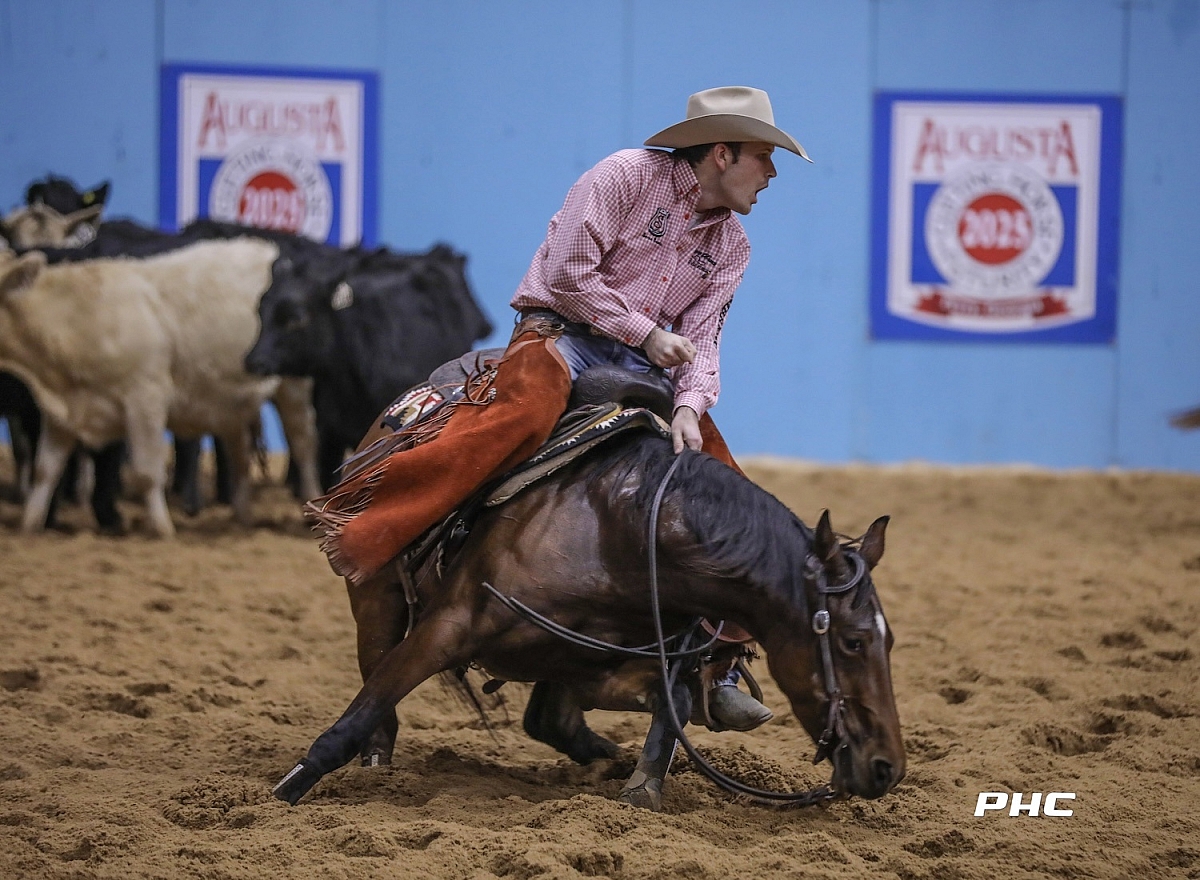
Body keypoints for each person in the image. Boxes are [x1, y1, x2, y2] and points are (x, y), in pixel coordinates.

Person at [308, 85, 809, 732]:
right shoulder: (625, 176)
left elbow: (704, 338)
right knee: (518, 416)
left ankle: (721, 660)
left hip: (646, 368)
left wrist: (690, 405)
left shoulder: (732, 247)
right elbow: (571, 275)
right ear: (722, 152)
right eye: (764, 157)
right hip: (559, 338)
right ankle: (379, 530)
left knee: (724, 488)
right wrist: (648, 335)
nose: (771, 174)